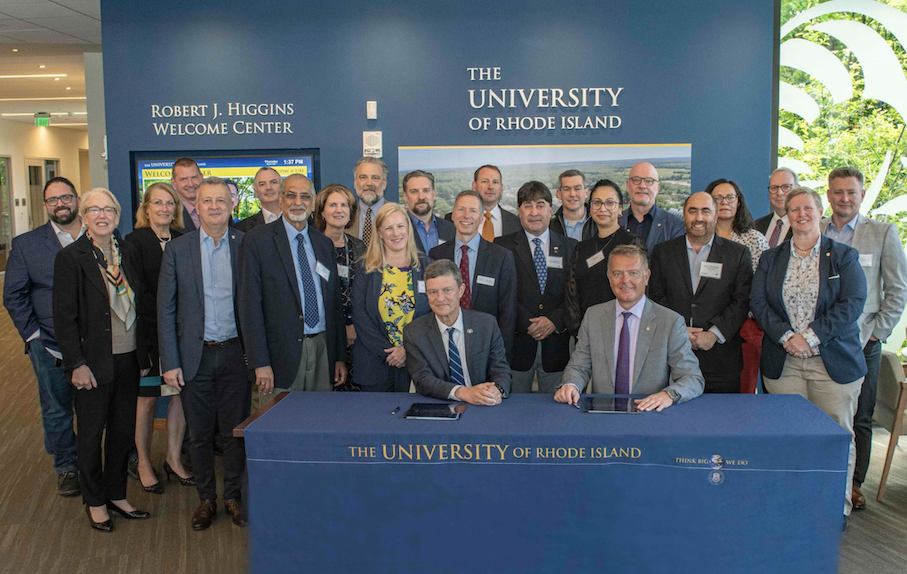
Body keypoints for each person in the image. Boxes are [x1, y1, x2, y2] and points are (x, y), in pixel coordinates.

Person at [751, 186, 867, 528]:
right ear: (786, 215)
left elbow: (852, 305)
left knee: (835, 439)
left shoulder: (843, 256)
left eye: (808, 208)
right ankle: (794, 507)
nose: (801, 214)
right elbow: (758, 304)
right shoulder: (771, 258)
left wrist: (810, 336)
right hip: (784, 364)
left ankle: (835, 509)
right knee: (789, 440)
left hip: (832, 367)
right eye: (794, 209)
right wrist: (788, 337)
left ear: (820, 213)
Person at [53, 187, 152, 531]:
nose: (102, 215)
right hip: (92, 364)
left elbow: (143, 306)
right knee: (92, 435)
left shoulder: (127, 252)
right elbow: (64, 319)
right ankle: (95, 501)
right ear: (84, 216)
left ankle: (116, 494)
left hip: (128, 359)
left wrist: (144, 353)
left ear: (118, 215)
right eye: (94, 209)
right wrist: (76, 364)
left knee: (122, 432)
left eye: (108, 209)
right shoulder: (71, 258)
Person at [158, 177, 249, 531]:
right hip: (194, 356)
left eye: (221, 201)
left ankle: (233, 498)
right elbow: (165, 310)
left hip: (235, 355)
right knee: (198, 434)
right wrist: (170, 362)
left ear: (231, 206)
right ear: (196, 206)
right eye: (207, 201)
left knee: (233, 432)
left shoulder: (246, 245)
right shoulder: (178, 250)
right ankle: (206, 500)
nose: (214, 206)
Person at [820, 166, 907, 511]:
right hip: (820, 340)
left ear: (861, 195)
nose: (844, 198)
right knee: (825, 411)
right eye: (838, 192)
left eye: (851, 193)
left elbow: (897, 291)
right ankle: (823, 475)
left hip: (862, 341)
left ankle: (854, 483)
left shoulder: (883, 233)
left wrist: (877, 335)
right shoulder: (817, 229)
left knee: (860, 414)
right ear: (829, 195)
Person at [3, 177, 82, 497]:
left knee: (99, 407)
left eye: (65, 197)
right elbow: (14, 296)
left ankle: (106, 460)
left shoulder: (99, 234)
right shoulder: (27, 245)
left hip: (95, 342)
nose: (60, 204)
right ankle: (66, 466)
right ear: (46, 206)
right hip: (49, 345)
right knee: (57, 407)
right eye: (53, 200)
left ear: (77, 199)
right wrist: (34, 337)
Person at [555, 244, 704, 410]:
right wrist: (571, 384)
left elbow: (692, 377)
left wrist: (669, 395)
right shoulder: (593, 316)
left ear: (646, 277)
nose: (625, 281)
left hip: (649, 416)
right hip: (602, 417)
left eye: (633, 273)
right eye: (617, 274)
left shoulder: (670, 321)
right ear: (609, 277)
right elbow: (579, 365)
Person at [240, 174, 348, 401]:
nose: (297, 201)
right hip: (279, 358)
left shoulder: (323, 243)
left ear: (313, 202)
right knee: (276, 428)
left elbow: (333, 304)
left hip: (322, 351)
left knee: (319, 424)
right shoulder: (257, 241)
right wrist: (260, 362)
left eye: (305, 196)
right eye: (290, 195)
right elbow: (250, 308)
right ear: (281, 199)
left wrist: (338, 356)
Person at [124, 182, 193, 494]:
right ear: (146, 208)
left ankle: (174, 458)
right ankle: (142, 462)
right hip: (150, 337)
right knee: (147, 401)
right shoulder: (134, 242)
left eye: (169, 203)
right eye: (157, 203)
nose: (164, 209)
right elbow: (137, 295)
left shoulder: (184, 239)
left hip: (182, 336)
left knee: (180, 397)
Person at [649, 192, 753, 393]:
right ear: (684, 215)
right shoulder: (663, 252)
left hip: (720, 359)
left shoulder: (738, 254)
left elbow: (742, 301)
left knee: (720, 421)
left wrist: (713, 334)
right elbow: (655, 296)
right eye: (692, 211)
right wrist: (678, 330)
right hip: (672, 358)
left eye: (705, 211)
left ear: (715, 216)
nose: (698, 218)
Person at [495, 181, 576, 394]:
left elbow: (575, 294)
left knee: (556, 412)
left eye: (540, 205)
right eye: (527, 206)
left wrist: (554, 320)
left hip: (557, 346)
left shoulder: (571, 247)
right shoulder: (501, 247)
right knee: (513, 411)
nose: (534, 212)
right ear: (518, 211)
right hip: (517, 345)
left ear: (550, 209)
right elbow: (501, 295)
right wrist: (526, 322)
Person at [404, 260, 511, 404]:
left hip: (483, 403)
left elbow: (501, 370)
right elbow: (423, 380)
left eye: (447, 290)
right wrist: (463, 392)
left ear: (461, 290)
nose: (440, 298)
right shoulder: (414, 332)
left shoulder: (486, 325)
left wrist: (497, 389)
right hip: (440, 403)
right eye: (433, 292)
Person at [351, 202, 431, 391]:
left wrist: (407, 350)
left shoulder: (427, 267)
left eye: (400, 226)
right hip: (374, 365)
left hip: (416, 365)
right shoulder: (366, 268)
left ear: (408, 229)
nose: (396, 233)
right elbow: (360, 314)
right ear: (379, 232)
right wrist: (389, 352)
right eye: (388, 228)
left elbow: (432, 315)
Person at [429, 190, 517, 359]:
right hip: (444, 348)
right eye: (461, 209)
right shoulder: (436, 255)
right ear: (453, 215)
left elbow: (508, 313)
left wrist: (500, 356)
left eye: (473, 211)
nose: (466, 216)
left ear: (482, 218)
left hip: (486, 349)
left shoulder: (501, 257)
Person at [707, 178, 769, 393]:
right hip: (705, 322)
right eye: (718, 198)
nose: (724, 202)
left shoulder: (755, 239)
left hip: (745, 325)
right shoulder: (699, 238)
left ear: (739, 202)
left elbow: (763, 286)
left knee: (743, 388)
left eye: (730, 197)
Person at [565, 179, 640, 335]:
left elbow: (638, 291)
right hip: (585, 334)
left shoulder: (632, 243)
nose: (603, 208)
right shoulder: (581, 248)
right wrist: (580, 331)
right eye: (597, 202)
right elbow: (571, 294)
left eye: (610, 203)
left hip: (623, 332)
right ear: (591, 209)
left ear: (620, 209)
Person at [313, 184, 367, 387]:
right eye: (333, 204)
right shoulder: (312, 245)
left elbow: (366, 293)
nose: (339, 210)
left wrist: (354, 327)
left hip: (358, 335)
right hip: (326, 337)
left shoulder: (359, 246)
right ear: (321, 211)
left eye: (344, 205)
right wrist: (341, 330)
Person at [617, 161, 684, 254]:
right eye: (636, 180)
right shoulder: (615, 221)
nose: (642, 186)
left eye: (649, 181)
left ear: (658, 187)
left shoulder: (675, 226)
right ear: (628, 185)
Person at [446, 165, 522, 240]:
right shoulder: (451, 220)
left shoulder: (517, 223)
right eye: (485, 181)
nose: (490, 187)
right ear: (474, 186)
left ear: (501, 188)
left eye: (495, 182)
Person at [402, 169, 455, 254]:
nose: (421, 197)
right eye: (414, 192)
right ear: (405, 196)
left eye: (426, 190)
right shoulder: (396, 231)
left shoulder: (451, 229)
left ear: (433, 194)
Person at [754, 167, 796, 248]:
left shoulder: (807, 224)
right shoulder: (756, 226)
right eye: (774, 188)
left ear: (797, 188)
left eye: (786, 187)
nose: (779, 193)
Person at [350, 157, 387, 247]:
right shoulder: (346, 215)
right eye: (363, 177)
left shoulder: (399, 215)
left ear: (384, 184)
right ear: (355, 183)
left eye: (375, 178)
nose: (369, 183)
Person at [549, 169, 595, 241]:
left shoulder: (599, 223)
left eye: (577, 189)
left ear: (586, 193)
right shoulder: (550, 228)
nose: (572, 194)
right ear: (559, 194)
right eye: (567, 189)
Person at [236, 167, 282, 232]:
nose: (268, 187)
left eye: (273, 182)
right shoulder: (242, 228)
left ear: (282, 187)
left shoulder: (298, 221)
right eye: (262, 184)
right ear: (256, 192)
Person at [170, 157, 203, 231]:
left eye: (194, 178)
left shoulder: (217, 208)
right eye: (184, 179)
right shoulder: (170, 214)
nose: (190, 184)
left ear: (201, 177)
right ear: (174, 183)